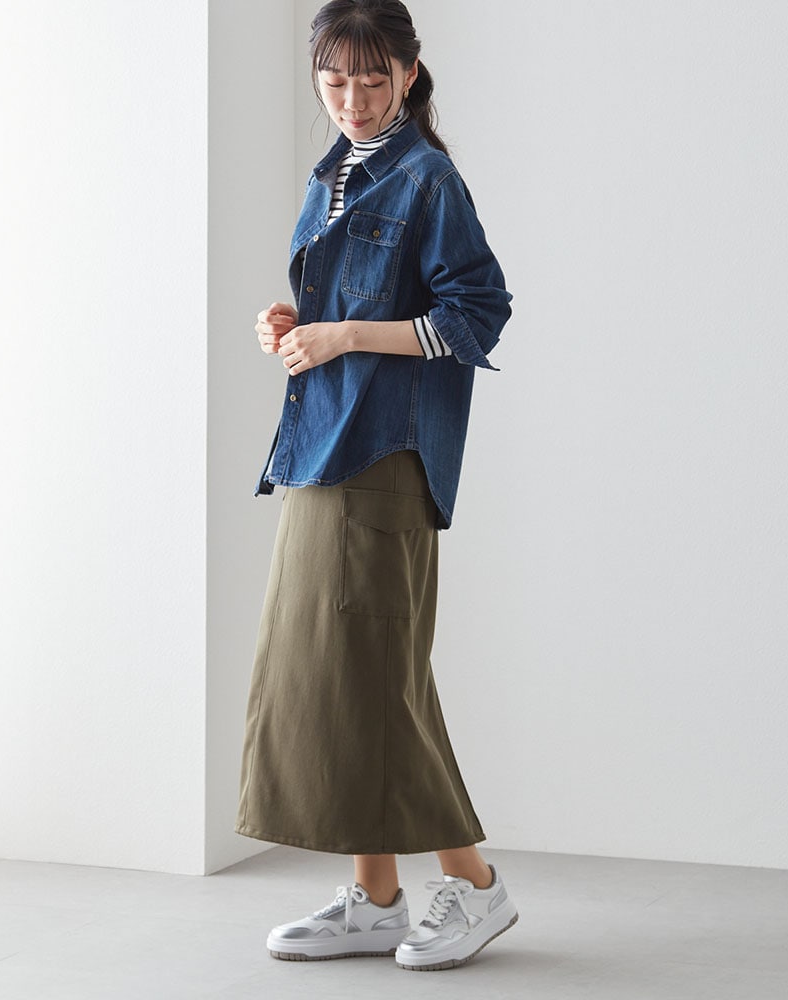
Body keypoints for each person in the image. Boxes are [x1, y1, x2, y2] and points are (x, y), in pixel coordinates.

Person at [234, 0, 515, 972]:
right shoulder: (337, 175)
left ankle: (476, 885)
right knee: (333, 676)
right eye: (334, 79)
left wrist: (346, 335)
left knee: (377, 678)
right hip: (320, 447)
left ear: (408, 73)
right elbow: (344, 304)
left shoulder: (426, 177)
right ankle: (378, 898)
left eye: (371, 78)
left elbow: (476, 313)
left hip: (382, 458)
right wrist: (291, 324)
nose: (352, 98)